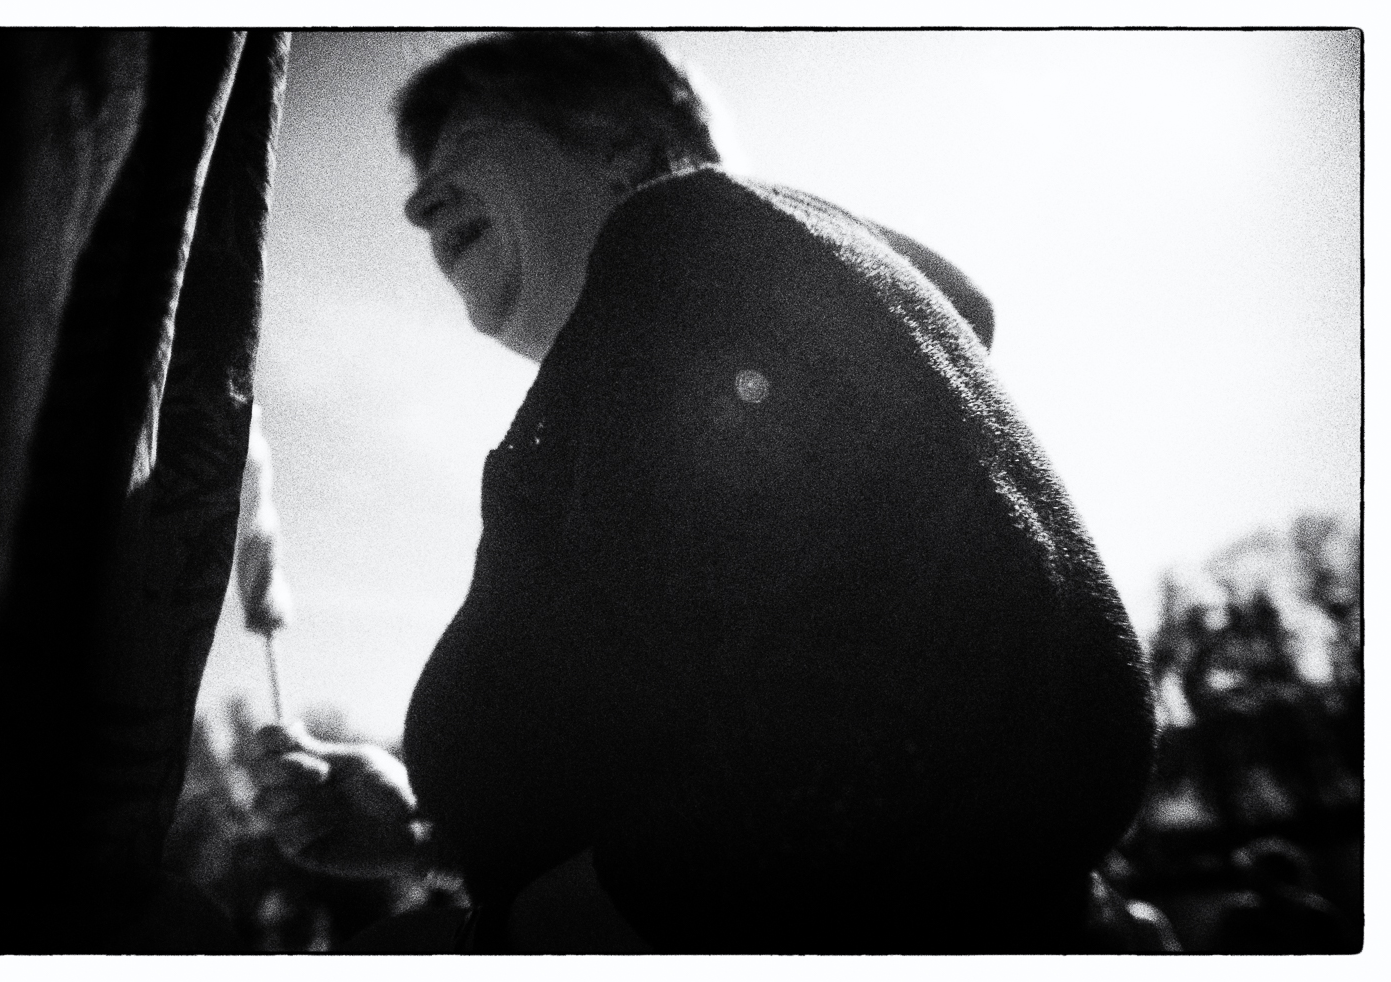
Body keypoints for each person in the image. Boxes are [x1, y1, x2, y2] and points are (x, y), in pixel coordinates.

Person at [252, 31, 1157, 953]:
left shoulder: (691, 242)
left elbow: (976, 685)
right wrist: (431, 841)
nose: (419, 206)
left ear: (626, 145)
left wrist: (562, 927)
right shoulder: (648, 379)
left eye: (467, 145)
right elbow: (762, 727)